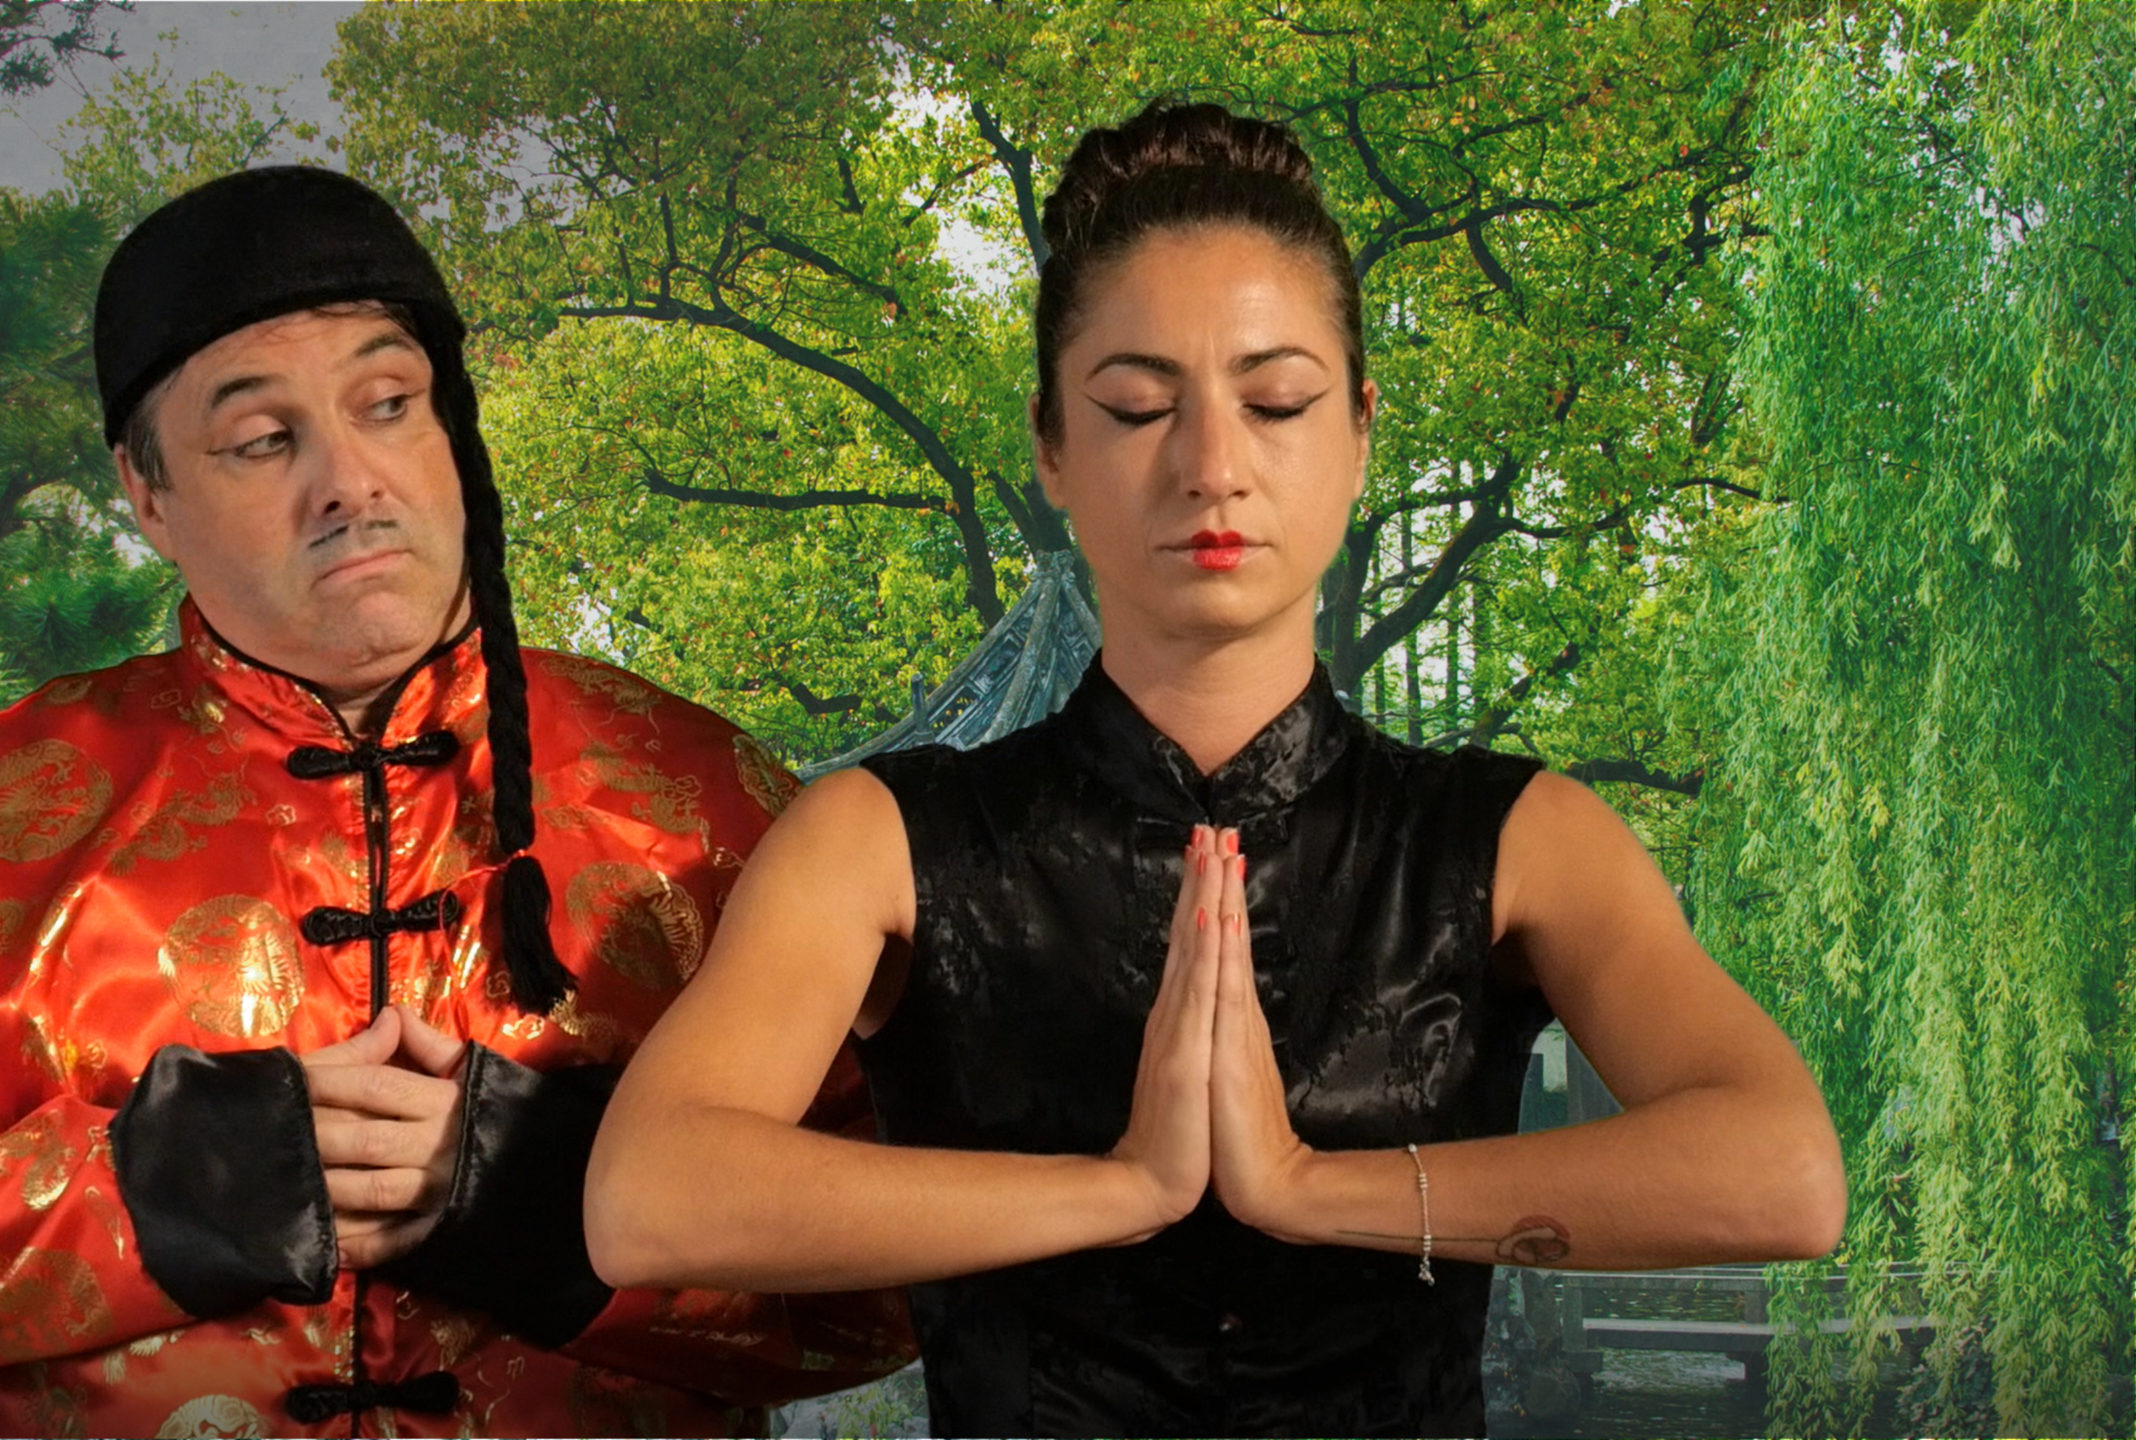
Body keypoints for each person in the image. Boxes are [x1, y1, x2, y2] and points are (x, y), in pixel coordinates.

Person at [586, 102, 1846, 1436]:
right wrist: (1123, 1186)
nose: (1210, 467)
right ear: (1050, 446)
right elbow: (647, 1198)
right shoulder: (882, 840)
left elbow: (1782, 1175)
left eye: (1276, 401)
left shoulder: (1523, 838)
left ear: (1359, 432)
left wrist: (1303, 1186)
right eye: (1137, 408)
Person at [0, 166, 911, 1438]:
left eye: (389, 405)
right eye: (261, 440)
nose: (350, 480)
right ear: (147, 494)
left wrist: (580, 1206)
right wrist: (161, 1190)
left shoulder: (711, 807)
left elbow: (903, 1283)